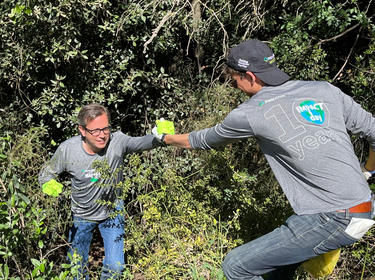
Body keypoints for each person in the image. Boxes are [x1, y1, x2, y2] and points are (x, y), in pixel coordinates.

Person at [152, 39, 375, 280]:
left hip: (332, 217)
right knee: (276, 270)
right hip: (364, 207)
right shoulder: (324, 90)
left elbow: (203, 139)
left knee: (235, 266)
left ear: (249, 76)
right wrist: (368, 170)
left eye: (235, 80)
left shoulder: (251, 113)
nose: (235, 86)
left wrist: (166, 138)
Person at [39, 103, 164, 280]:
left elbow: (140, 143)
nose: (102, 135)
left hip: (112, 210)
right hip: (82, 214)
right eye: (95, 130)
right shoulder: (68, 149)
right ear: (82, 130)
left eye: (105, 128)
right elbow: (46, 173)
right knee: (76, 268)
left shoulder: (117, 141)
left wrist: (161, 137)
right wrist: (49, 184)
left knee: (116, 267)